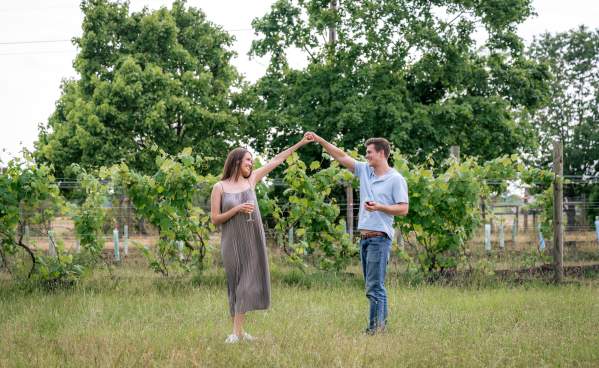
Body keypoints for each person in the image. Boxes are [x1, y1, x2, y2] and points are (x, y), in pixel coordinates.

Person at [305, 132, 408, 334]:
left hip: (380, 239)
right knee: (372, 286)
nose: (366, 156)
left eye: (369, 152)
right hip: (365, 239)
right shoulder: (365, 171)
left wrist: (379, 207)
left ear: (381, 153)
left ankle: (376, 330)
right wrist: (320, 139)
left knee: (375, 287)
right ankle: (377, 328)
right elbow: (341, 156)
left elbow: (403, 209)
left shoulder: (396, 179)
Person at [210, 137, 311, 343]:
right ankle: (238, 332)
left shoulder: (251, 180)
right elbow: (215, 220)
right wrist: (237, 209)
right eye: (248, 160)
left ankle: (237, 333)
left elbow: (277, 160)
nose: (251, 164)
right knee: (235, 284)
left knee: (247, 284)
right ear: (237, 162)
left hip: (252, 239)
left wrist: (300, 143)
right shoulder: (219, 187)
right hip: (231, 242)